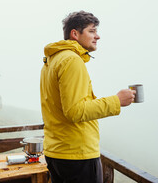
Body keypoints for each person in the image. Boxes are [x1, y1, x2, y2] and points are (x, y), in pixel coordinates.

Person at [40, 11, 136, 183]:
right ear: (75, 34)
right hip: (77, 155)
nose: (97, 36)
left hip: (57, 152)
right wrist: (117, 101)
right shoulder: (72, 61)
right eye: (92, 31)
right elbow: (75, 111)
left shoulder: (52, 60)